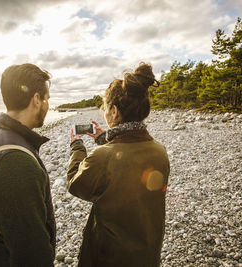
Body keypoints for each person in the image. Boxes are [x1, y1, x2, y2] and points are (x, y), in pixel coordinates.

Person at [68, 63, 170, 267]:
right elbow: (125, 161)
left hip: (110, 257)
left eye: (105, 108)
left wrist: (77, 146)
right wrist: (104, 138)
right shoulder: (160, 151)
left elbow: (75, 183)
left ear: (114, 111)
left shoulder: (102, 156)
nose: (104, 113)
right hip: (147, 254)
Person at [0, 64, 56, 266]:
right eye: (47, 99)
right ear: (36, 99)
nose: (48, 105)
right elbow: (31, 254)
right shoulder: (17, 165)